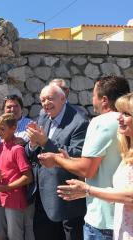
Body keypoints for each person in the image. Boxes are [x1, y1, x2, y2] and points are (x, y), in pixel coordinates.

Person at [38, 76, 130, 240]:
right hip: (120, 217)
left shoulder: (101, 122)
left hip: (102, 218)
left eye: (93, 95)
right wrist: (68, 160)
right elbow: (103, 162)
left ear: (104, 100)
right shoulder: (124, 125)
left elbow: (87, 169)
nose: (91, 99)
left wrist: (57, 160)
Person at [26, 84, 89, 240]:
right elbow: (30, 152)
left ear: (63, 98)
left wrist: (45, 142)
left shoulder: (79, 122)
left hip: (66, 199)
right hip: (42, 195)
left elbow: (78, 155)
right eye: (42, 100)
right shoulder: (43, 117)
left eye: (50, 98)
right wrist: (32, 144)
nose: (46, 103)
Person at [0, 113, 33, 240]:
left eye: (2, 129)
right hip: (1, 198)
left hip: (15, 200)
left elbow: (28, 177)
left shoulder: (17, 149)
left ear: (13, 128)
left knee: (15, 236)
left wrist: (5, 187)